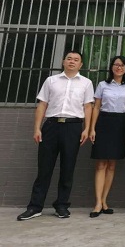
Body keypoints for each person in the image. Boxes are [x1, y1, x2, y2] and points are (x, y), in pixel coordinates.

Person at [17, 50, 94, 221]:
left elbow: (88, 107)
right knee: (44, 168)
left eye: (76, 60)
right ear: (63, 61)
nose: (72, 61)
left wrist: (86, 129)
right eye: (69, 59)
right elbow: (42, 104)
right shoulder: (51, 81)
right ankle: (35, 206)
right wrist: (37, 128)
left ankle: (61, 205)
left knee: (68, 168)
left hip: (73, 127)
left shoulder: (86, 83)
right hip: (51, 126)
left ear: (81, 64)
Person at [88, 55, 125, 218]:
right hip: (104, 122)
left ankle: (104, 201)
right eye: (116, 64)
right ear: (111, 67)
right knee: (101, 164)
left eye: (122, 65)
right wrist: (92, 128)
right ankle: (97, 203)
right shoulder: (103, 85)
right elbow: (96, 107)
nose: (119, 67)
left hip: (121, 123)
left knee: (112, 165)